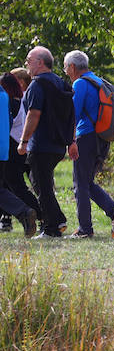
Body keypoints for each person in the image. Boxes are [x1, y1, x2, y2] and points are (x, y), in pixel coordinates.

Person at [62, 51, 114, 239]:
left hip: (86, 137)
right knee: (87, 182)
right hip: (103, 138)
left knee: (80, 184)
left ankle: (85, 229)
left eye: (66, 67)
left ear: (73, 67)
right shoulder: (99, 82)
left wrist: (70, 141)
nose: (66, 71)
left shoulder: (80, 84)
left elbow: (72, 115)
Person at [16, 47, 73, 238]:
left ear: (40, 62)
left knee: (42, 186)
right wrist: (71, 140)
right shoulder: (61, 84)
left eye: (29, 60)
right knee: (42, 183)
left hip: (40, 144)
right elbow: (71, 115)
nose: (26, 64)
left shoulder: (37, 85)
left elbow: (34, 114)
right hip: (58, 145)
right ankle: (57, 219)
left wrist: (24, 141)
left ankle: (51, 229)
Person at [1, 70, 40, 233]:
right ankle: (24, 213)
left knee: (11, 185)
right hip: (5, 148)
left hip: (14, 147)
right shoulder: (4, 95)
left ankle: (25, 212)